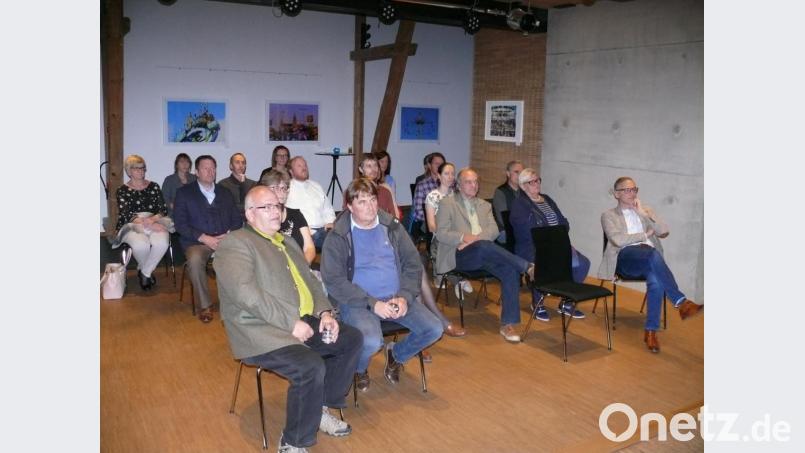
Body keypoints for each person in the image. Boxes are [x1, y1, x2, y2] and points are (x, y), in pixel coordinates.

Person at [214, 186, 362, 453]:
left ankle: (319, 408)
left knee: (351, 338)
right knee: (310, 366)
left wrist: (326, 313)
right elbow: (247, 295)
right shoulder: (235, 243)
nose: (275, 212)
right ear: (249, 214)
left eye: (277, 206)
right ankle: (293, 441)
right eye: (266, 207)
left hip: (302, 319)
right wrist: (290, 324)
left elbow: (311, 283)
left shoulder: (288, 242)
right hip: (260, 330)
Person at [321, 179, 443, 392]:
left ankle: (396, 355)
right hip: (358, 302)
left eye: (373, 199)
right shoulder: (338, 235)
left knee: (434, 329)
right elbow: (334, 281)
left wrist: (404, 296)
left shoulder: (392, 227)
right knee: (370, 341)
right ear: (349, 207)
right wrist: (372, 303)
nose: (370, 206)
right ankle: (358, 369)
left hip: (396, 297)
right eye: (362, 202)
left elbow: (413, 264)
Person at [598, 176, 703, 353]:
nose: (632, 193)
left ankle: (651, 331)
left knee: (655, 280)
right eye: (627, 190)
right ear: (617, 194)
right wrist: (644, 235)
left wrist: (643, 215)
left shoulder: (645, 210)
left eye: (634, 189)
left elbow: (664, 231)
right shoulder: (608, 215)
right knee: (651, 253)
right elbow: (617, 239)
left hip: (649, 259)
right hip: (626, 259)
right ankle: (681, 302)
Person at [435, 168, 536, 343]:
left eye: (476, 181)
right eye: (468, 182)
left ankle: (508, 324)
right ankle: (527, 267)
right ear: (459, 185)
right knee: (483, 245)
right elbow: (441, 233)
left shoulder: (485, 205)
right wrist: (464, 238)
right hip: (458, 255)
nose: (474, 185)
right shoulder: (447, 203)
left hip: (483, 252)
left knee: (509, 270)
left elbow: (494, 230)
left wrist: (475, 240)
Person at [509, 168, 590, 321]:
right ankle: (537, 302)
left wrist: (559, 242)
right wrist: (552, 241)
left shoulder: (547, 199)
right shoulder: (519, 205)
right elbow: (528, 232)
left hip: (557, 245)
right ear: (522, 186)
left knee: (583, 263)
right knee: (544, 264)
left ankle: (566, 301)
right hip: (531, 247)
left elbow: (564, 222)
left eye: (538, 180)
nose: (536, 183)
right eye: (531, 182)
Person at [174, 155, 243, 323]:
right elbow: (180, 224)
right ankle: (205, 305)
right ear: (196, 172)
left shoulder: (225, 192)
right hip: (197, 242)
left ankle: (238, 302)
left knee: (243, 256)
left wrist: (228, 235)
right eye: (205, 168)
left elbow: (237, 220)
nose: (210, 171)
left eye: (213, 168)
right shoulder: (184, 193)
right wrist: (204, 238)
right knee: (196, 260)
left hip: (225, 239)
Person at [115, 155, 170, 291]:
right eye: (136, 168)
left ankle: (145, 272)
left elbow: (163, 209)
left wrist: (152, 220)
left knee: (162, 242)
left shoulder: (154, 186)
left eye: (142, 168)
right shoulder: (122, 190)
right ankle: (147, 272)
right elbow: (127, 214)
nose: (141, 171)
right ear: (129, 171)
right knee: (141, 245)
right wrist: (147, 223)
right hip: (132, 224)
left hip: (155, 219)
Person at [424, 162, 472, 299]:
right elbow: (431, 226)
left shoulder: (458, 195)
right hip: (440, 237)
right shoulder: (433, 196)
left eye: (452, 173)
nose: (450, 177)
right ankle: (459, 280)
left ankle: (461, 278)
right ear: (438, 176)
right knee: (441, 283)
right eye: (446, 173)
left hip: (457, 236)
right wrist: (447, 234)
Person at [263, 169, 316, 265]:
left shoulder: (296, 214)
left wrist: (302, 266)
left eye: (284, 188)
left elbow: (309, 248)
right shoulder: (263, 217)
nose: (281, 192)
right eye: (275, 187)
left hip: (301, 265)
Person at [285, 156, 336, 249]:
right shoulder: (287, 189)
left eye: (305, 165)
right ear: (291, 172)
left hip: (324, 230)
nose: (304, 168)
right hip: (304, 233)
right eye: (299, 166)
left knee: (345, 237)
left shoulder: (316, 186)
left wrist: (330, 222)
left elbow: (328, 209)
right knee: (335, 243)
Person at [492, 160, 524, 245]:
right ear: (508, 174)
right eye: (516, 172)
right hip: (505, 229)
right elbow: (503, 219)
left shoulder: (525, 191)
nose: (520, 175)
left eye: (521, 172)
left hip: (521, 227)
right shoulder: (500, 192)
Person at [161, 153, 197, 217]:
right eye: (182, 162)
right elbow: (164, 198)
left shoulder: (194, 178)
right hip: (174, 214)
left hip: (192, 214)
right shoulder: (169, 180)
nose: (185, 164)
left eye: (187, 162)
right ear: (177, 165)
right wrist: (174, 206)